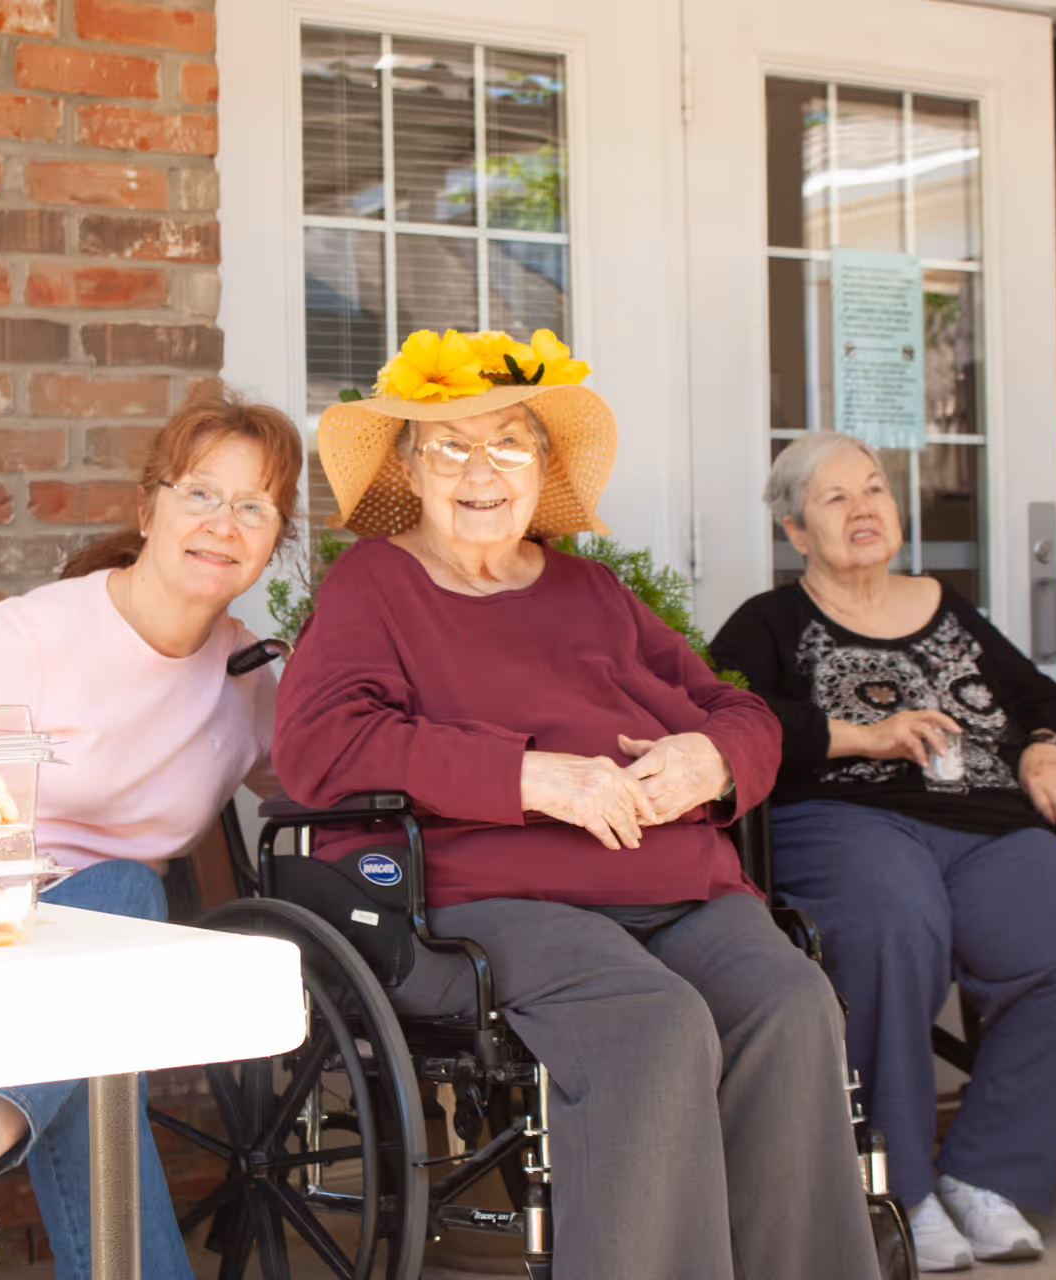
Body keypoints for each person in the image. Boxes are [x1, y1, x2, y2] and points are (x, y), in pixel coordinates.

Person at [272, 328, 878, 1280]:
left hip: (674, 885)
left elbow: (743, 712)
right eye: (450, 445)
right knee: (652, 1020)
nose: (482, 470)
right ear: (409, 466)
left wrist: (710, 761)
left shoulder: (591, 592)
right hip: (486, 897)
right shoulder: (374, 587)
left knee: (791, 1001)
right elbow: (320, 748)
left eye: (509, 442)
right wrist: (530, 776)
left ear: (542, 464)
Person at [0, 384, 303, 1280]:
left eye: (253, 506)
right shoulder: (34, 636)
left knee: (107, 988)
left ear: (272, 540)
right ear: (149, 508)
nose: (224, 522)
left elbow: (315, 788)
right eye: (200, 494)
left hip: (90, 986)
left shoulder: (250, 676)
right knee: (128, 896)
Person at [709, 432, 1056, 1273]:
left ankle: (988, 1173)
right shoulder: (770, 623)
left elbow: (1043, 695)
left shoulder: (947, 604)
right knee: (895, 923)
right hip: (842, 819)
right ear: (795, 532)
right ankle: (898, 1185)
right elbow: (734, 723)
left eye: (875, 490)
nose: (864, 508)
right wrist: (866, 734)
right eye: (836, 499)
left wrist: (1044, 747)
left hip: (984, 823)